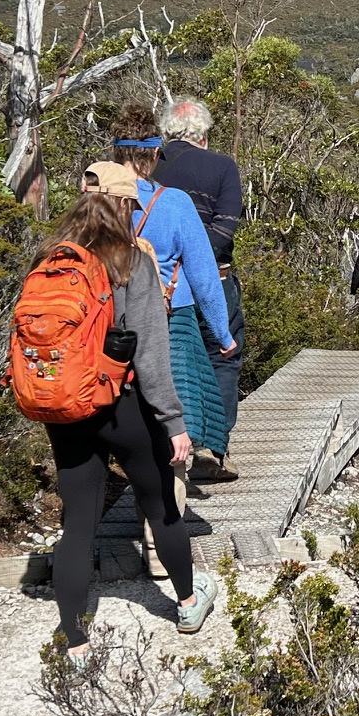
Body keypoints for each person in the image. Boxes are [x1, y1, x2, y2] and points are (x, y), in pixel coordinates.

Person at [46, 169, 217, 658]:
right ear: (122, 207)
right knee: (161, 503)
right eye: (132, 207)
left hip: (68, 408)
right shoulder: (133, 264)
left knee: (78, 523)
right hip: (121, 405)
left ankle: (74, 641)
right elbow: (150, 357)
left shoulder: (50, 261)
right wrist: (173, 423)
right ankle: (186, 600)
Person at [107, 107, 237, 498]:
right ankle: (162, 530)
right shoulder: (174, 203)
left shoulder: (94, 201)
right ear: (153, 153)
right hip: (170, 319)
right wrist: (222, 333)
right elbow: (202, 274)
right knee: (171, 420)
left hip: (109, 323)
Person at [152, 98, 246, 483]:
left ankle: (161, 449)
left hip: (150, 288)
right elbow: (225, 232)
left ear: (167, 133)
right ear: (203, 135)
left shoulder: (145, 168)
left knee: (157, 366)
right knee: (222, 359)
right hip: (213, 282)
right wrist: (193, 258)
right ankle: (211, 450)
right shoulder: (222, 167)